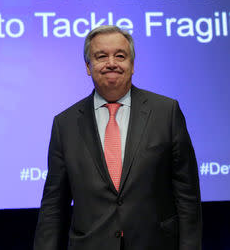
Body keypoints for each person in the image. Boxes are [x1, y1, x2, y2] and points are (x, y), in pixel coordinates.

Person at [33, 25, 202, 250]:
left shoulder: (166, 112)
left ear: (132, 65)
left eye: (120, 56)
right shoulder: (65, 124)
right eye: (101, 56)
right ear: (88, 66)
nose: (111, 62)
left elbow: (187, 195)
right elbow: (54, 205)